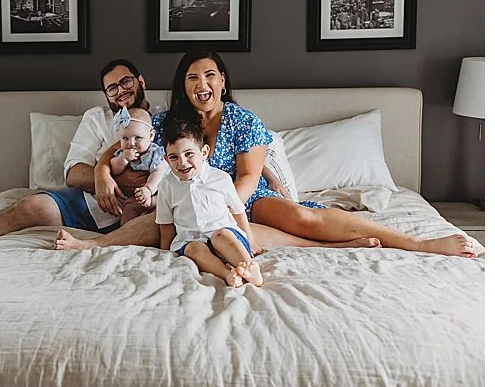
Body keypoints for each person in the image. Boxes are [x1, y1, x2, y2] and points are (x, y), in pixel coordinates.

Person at [89, 51, 478, 259]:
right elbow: (124, 143)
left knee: (303, 218)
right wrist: (102, 171)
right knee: (159, 221)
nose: (201, 84)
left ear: (222, 81)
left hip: (243, 199)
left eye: (209, 75)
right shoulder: (168, 120)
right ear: (183, 86)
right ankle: (91, 245)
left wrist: (223, 208)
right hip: (187, 202)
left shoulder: (243, 120)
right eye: (192, 77)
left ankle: (418, 244)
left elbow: (248, 176)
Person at [0, 58, 168, 283]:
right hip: (90, 203)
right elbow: (73, 173)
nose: (121, 90)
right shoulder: (97, 119)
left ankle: (93, 244)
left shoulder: (167, 118)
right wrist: (102, 175)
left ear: (140, 81)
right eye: (112, 88)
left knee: (160, 219)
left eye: (126, 81)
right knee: (30, 206)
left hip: (144, 206)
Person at [154, 116, 263, 287]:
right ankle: (228, 274)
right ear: (166, 160)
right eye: (174, 157)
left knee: (221, 235)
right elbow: (165, 223)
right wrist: (164, 252)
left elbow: (238, 211)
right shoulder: (167, 185)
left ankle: (249, 267)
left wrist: (251, 241)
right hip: (191, 240)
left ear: (204, 152)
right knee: (193, 249)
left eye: (189, 154)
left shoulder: (220, 178)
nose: (182, 162)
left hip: (224, 236)